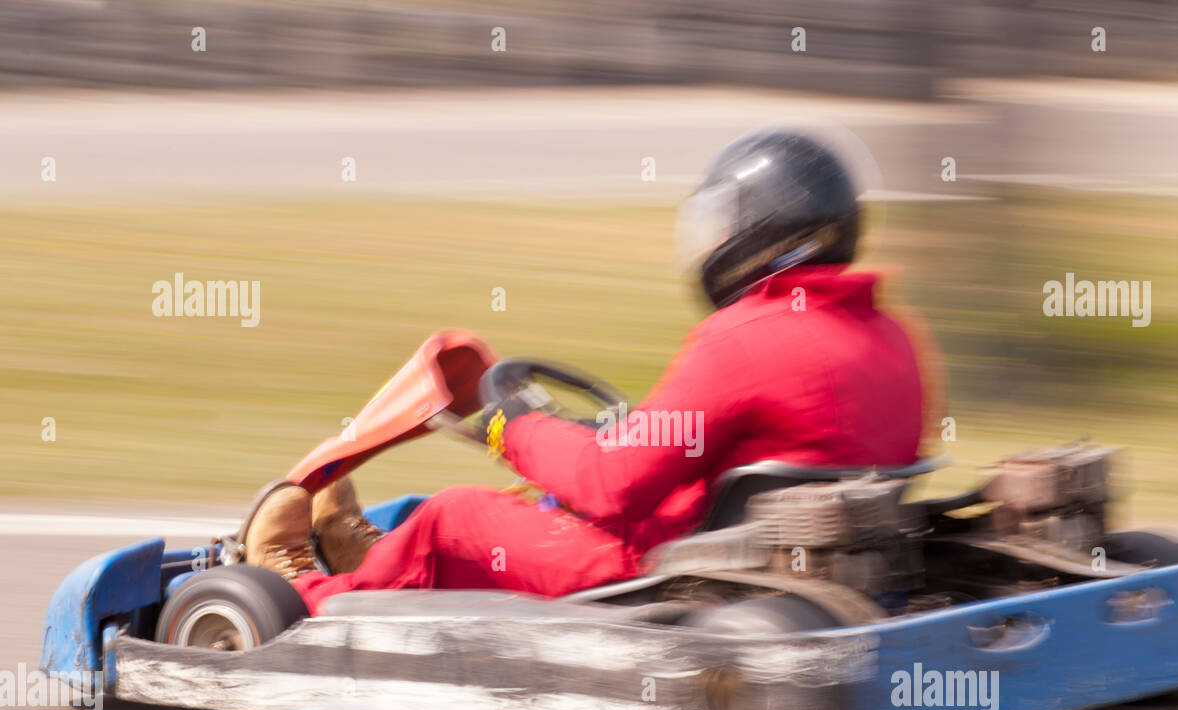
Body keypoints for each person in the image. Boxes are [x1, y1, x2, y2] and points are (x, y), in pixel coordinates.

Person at [244, 128, 943, 615]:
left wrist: (509, 428)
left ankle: (298, 600)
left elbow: (614, 487)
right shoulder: (895, 334)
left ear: (765, 232)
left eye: (729, 222)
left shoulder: (743, 337)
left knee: (451, 518)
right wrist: (615, 434)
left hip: (676, 573)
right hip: (800, 559)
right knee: (538, 499)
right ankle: (363, 559)